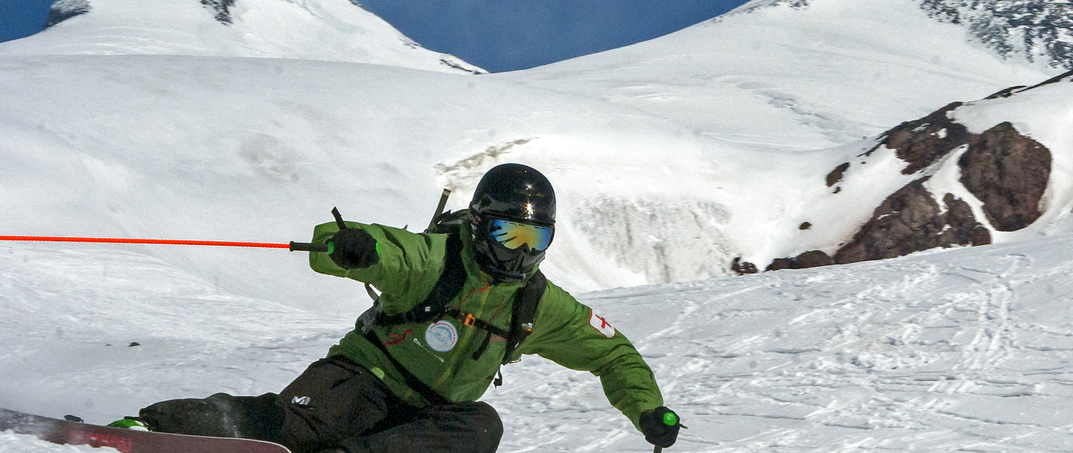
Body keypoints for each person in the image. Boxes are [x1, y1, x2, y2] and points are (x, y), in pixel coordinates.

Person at [127, 163, 681, 453]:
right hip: (362, 380)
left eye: (535, 240)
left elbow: (613, 354)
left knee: (482, 427)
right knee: (286, 426)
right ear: (479, 222)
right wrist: (352, 249)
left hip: (426, 419)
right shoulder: (439, 258)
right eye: (507, 233)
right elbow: (384, 249)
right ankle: (143, 430)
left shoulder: (537, 303)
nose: (520, 253)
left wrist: (646, 409)